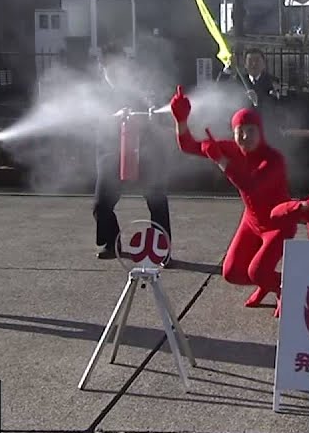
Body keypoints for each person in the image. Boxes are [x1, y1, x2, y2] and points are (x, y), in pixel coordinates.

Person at [169, 86, 293, 312]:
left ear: (261, 132)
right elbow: (189, 146)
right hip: (252, 221)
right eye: (239, 131)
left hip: (278, 225)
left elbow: (251, 185)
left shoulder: (274, 160)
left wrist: (221, 161)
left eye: (251, 131)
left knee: (258, 271)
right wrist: (181, 121)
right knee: (232, 273)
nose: (245, 136)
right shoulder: (231, 149)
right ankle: (269, 283)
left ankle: (282, 287)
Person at [92, 47, 172, 262]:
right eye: (108, 66)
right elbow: (92, 119)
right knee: (101, 205)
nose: (114, 71)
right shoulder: (96, 94)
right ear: (102, 67)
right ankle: (111, 243)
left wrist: (153, 110)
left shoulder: (138, 88)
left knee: (156, 199)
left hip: (143, 151)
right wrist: (114, 117)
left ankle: (162, 249)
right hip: (109, 153)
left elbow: (153, 103)